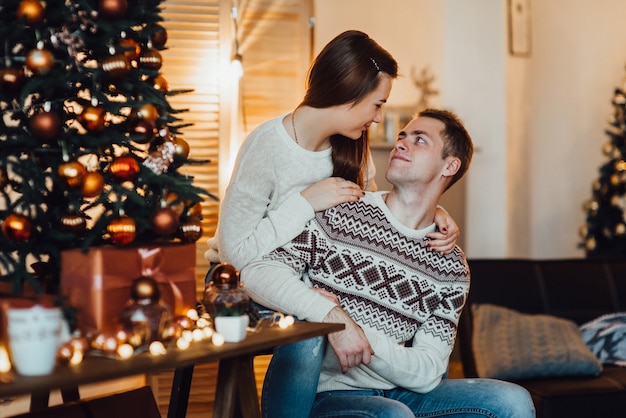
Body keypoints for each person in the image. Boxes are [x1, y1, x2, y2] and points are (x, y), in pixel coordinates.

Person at [206, 30, 460, 418]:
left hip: (309, 279)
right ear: (348, 93)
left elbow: (375, 216)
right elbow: (236, 255)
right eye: (377, 104)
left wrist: (433, 214)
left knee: (318, 310)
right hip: (239, 281)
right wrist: (305, 203)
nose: (378, 117)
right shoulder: (267, 146)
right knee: (311, 327)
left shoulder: (353, 148)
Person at [242, 109, 536, 417]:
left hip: (403, 394)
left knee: (512, 402)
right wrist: (328, 315)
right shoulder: (341, 213)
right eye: (402, 137)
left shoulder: (451, 267)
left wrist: (354, 334)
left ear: (450, 165)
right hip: (330, 395)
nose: (401, 144)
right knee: (394, 415)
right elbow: (260, 270)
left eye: (419, 140)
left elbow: (428, 369)